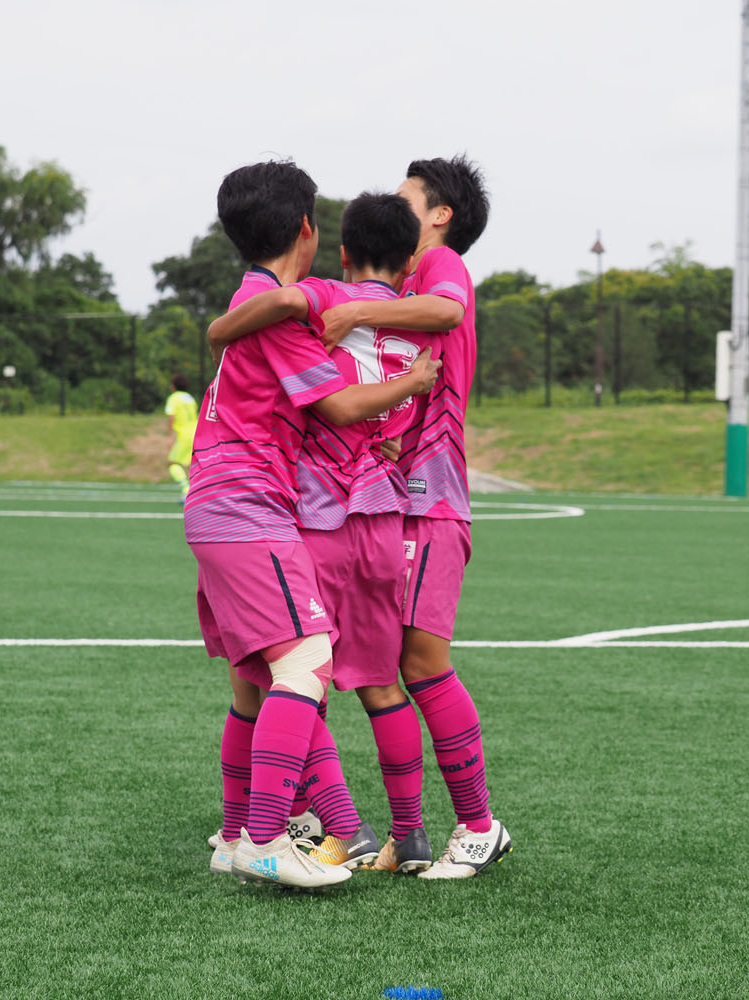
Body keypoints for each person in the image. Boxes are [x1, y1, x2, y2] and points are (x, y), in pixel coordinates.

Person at [188, 160, 440, 890]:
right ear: (307, 228)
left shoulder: (255, 297)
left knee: (258, 677)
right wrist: (411, 384)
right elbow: (336, 405)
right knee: (305, 663)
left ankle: (238, 832)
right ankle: (267, 839)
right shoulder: (283, 314)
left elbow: (233, 327)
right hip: (248, 502)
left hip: (225, 502)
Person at [317, 157, 512, 878]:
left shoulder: (441, 265)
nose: (397, 209)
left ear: (440, 216)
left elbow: (448, 312)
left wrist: (353, 311)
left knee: (424, 662)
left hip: (433, 503)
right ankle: (407, 834)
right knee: (391, 665)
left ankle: (480, 826)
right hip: (398, 500)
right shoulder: (405, 284)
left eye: (408, 199)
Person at [163, 374, 197, 502]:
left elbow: (172, 416)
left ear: (173, 387)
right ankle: (195, 493)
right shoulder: (190, 398)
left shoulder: (174, 398)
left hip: (184, 435)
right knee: (190, 465)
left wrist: (169, 435)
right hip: (195, 433)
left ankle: (186, 490)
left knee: (172, 463)